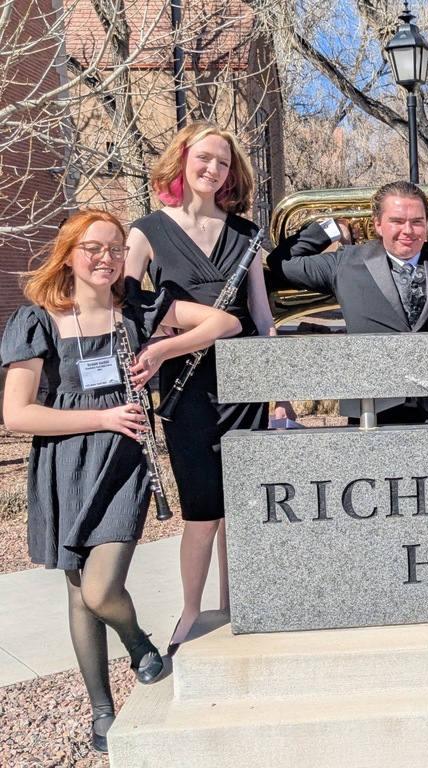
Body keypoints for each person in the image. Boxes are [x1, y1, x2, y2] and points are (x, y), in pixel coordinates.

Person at [1, 209, 241, 752]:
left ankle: (137, 645)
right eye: (93, 248)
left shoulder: (138, 309)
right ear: (68, 253)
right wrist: (100, 417)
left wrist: (161, 348)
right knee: (78, 594)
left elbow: (225, 323)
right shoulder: (37, 320)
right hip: (64, 464)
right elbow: (17, 415)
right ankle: (103, 710)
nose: (106, 258)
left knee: (100, 587)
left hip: (125, 463)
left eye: (114, 248)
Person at [125, 122, 287, 651]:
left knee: (241, 505)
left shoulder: (245, 234)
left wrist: (280, 390)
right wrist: (171, 344)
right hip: (183, 388)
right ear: (183, 159)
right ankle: (192, 611)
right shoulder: (146, 230)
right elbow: (128, 304)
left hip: (244, 384)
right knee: (201, 510)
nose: (212, 168)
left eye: (222, 162)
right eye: (204, 158)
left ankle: (236, 604)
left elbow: (260, 316)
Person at [266, 180, 428, 423]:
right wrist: (333, 228)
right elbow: (282, 263)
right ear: (378, 224)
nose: (408, 231)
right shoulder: (345, 262)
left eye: (417, 222)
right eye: (396, 221)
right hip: (370, 405)